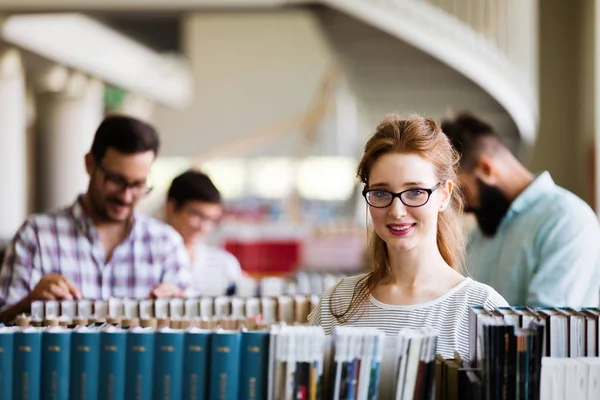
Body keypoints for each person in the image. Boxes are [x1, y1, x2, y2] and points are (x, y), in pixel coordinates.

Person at [308, 114, 507, 359]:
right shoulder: (337, 303)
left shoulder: (483, 309)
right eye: (381, 192)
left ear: (444, 195)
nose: (397, 211)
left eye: (414, 191)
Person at [0, 115, 190, 323]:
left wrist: (182, 309)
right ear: (90, 164)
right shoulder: (36, 236)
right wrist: (28, 304)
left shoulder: (166, 244)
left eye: (137, 185)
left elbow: (193, 328)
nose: (126, 196)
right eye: (116, 180)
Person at [442, 112, 600, 307]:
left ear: (485, 169)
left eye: (462, 191)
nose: (461, 207)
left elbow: (546, 326)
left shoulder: (567, 219)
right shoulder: (482, 233)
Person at [165, 170, 243, 297]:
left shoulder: (224, 264)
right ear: (171, 207)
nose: (204, 227)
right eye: (196, 215)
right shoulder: (146, 261)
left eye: (212, 219)